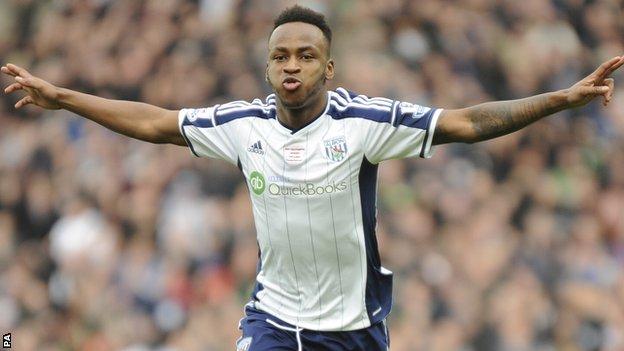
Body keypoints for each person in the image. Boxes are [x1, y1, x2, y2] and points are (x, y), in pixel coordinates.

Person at [2, 5, 622, 351]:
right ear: (267, 66)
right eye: (279, 55)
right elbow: (157, 122)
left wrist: (558, 100)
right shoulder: (242, 125)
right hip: (272, 321)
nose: (291, 65)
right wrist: (64, 97)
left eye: (304, 55)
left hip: (352, 330)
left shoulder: (367, 123)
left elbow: (465, 122)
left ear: (329, 65)